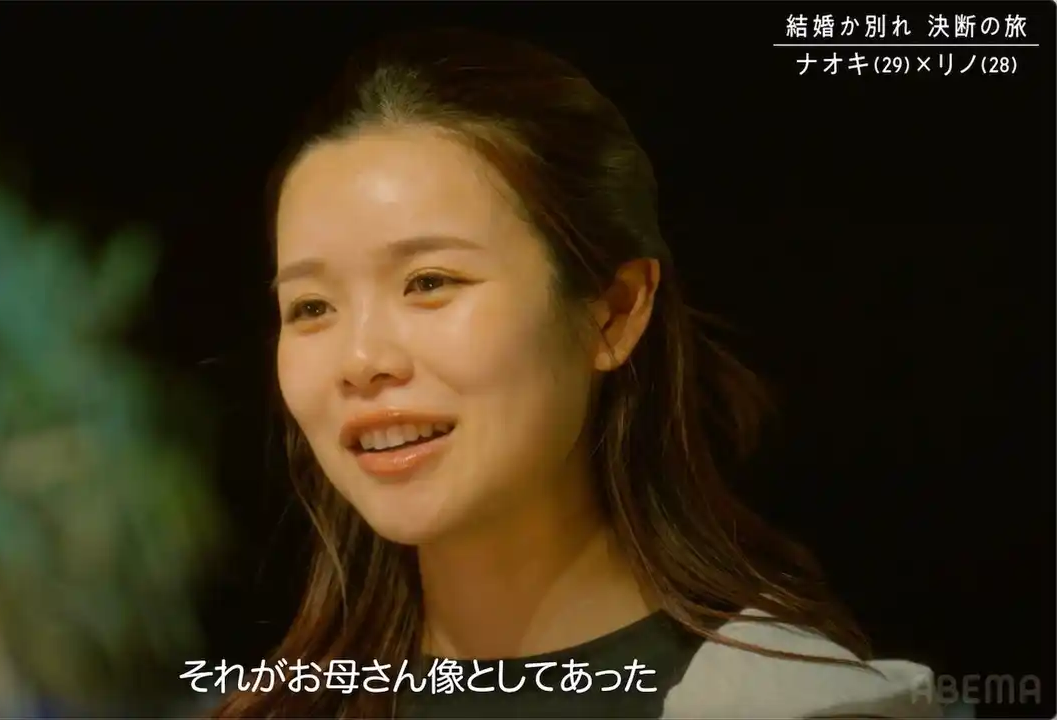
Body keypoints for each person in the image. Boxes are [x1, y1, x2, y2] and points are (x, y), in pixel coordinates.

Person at [212, 28, 936, 719]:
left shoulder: (787, 705)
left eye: (430, 282)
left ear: (613, 312)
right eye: (311, 307)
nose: (361, 361)